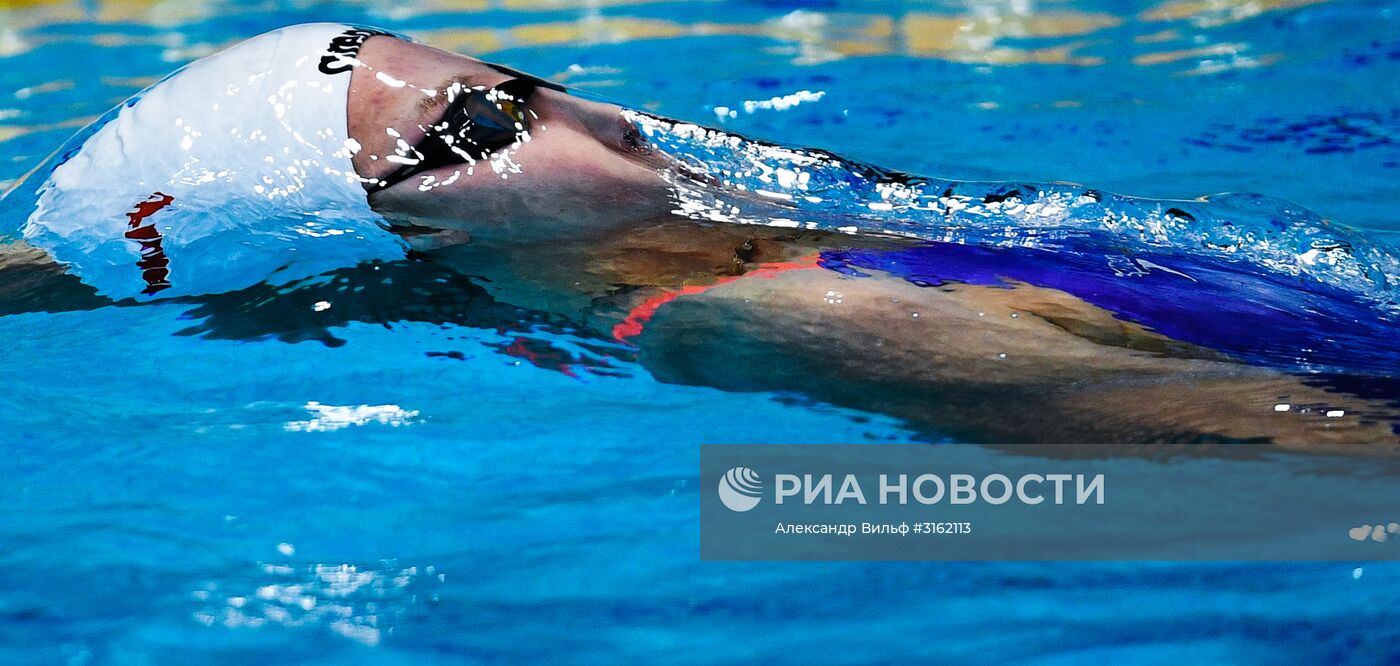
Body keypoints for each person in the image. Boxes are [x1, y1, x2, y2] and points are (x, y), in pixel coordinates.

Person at [1, 23, 1396, 449]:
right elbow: (1311, 458)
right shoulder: (786, 316)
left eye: (523, 83)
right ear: (395, 228)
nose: (596, 113)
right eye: (488, 124)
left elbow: (117, 267)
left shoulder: (733, 243)